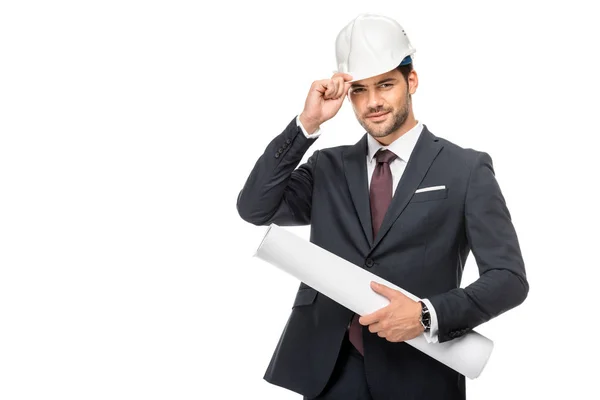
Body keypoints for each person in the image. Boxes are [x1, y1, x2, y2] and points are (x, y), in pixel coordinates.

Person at [236, 13, 529, 400]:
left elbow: (508, 279)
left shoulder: (465, 170)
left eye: (385, 85)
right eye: (359, 90)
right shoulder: (327, 166)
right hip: (329, 374)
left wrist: (427, 315)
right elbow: (255, 207)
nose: (372, 102)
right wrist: (306, 124)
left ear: (412, 81)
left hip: (419, 373)